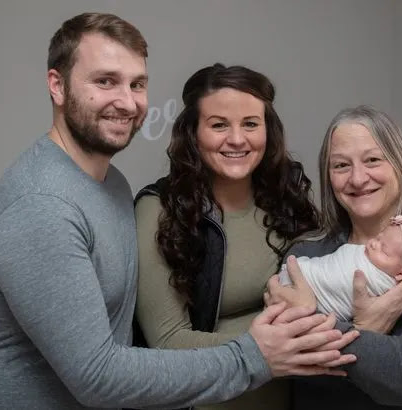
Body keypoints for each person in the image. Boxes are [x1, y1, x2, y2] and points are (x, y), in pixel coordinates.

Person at [0, 13, 359, 409]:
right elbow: (98, 377)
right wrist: (255, 355)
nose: (126, 101)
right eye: (105, 81)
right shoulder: (40, 207)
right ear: (57, 86)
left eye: (137, 84)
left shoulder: (108, 183)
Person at [134, 63, 359, 410]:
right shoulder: (160, 210)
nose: (237, 139)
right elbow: (167, 341)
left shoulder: (288, 200)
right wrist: (279, 344)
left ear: (268, 130)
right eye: (219, 125)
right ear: (193, 133)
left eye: (250, 124)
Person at [266, 105, 402, 409]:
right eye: (341, 165)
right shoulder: (307, 254)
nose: (357, 178)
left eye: (372, 160)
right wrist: (367, 334)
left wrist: (317, 324)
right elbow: (284, 364)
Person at [278, 217, 402, 321]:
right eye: (378, 237)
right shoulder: (307, 245)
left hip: (312, 298)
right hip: (295, 278)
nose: (372, 244)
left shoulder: (383, 283)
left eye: (383, 250)